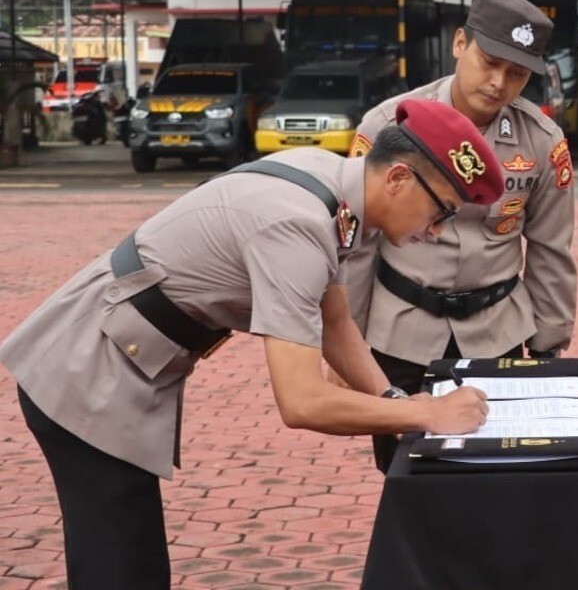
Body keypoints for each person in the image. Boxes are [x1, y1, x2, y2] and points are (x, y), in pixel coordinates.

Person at [0, 98, 504, 590]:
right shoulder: (299, 226)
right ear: (397, 178)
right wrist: (424, 416)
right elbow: (302, 402)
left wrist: (396, 400)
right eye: (441, 211)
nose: (436, 232)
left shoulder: (336, 190)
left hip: (118, 357)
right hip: (84, 366)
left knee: (129, 558)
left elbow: (335, 323)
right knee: (121, 565)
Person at [349, 0, 577, 408]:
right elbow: (358, 245)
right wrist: (348, 341)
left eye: (517, 74)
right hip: (401, 332)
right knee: (405, 466)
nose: (498, 83)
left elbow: (551, 248)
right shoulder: (388, 126)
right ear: (459, 44)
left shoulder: (542, 142)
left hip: (497, 332)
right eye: (489, 63)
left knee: (500, 464)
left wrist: (548, 346)